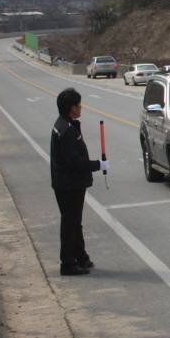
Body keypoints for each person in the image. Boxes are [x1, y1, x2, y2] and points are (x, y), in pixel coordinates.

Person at [50, 88, 108, 275]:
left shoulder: (65, 124)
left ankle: (80, 257)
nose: (81, 107)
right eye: (79, 105)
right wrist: (97, 165)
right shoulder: (66, 130)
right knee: (70, 223)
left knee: (75, 222)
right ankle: (67, 263)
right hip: (69, 184)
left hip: (70, 183)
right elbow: (73, 161)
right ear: (72, 108)